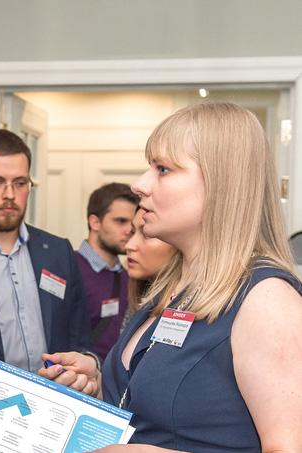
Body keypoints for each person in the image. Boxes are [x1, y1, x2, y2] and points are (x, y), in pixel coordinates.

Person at [42, 102, 302, 452]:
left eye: (163, 169)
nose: (139, 185)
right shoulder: (173, 288)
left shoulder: (268, 300)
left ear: (222, 183)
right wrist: (101, 385)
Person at [0, 129, 92, 388]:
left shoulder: (58, 251)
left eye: (20, 183)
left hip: (52, 398)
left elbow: (79, 337)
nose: (9, 194)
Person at [77, 183, 138, 359]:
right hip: (78, 373)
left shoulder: (130, 276)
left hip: (115, 373)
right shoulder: (69, 268)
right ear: (95, 222)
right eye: (120, 221)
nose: (129, 230)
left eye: (132, 223)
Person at [120, 207, 176, 331]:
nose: (129, 245)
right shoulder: (142, 299)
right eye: (132, 232)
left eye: (147, 234)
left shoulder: (191, 306)